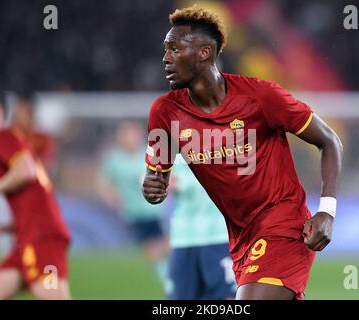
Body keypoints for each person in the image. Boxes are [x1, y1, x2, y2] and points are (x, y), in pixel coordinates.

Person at [142, 6, 343, 300]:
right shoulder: (164, 111)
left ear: (204, 53)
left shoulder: (262, 97)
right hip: (240, 239)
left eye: (175, 49)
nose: (166, 58)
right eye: (165, 50)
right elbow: (154, 181)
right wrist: (152, 188)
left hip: (283, 225)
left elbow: (329, 141)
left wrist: (327, 211)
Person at [0, 91, 71, 300]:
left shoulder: (2, 136)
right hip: (26, 239)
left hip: (42, 240)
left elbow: (26, 170)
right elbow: (32, 200)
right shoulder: (8, 142)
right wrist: (0, 228)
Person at [96, 121, 169, 292]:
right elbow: (103, 182)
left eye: (132, 133)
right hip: (134, 212)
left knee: (162, 244)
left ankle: (166, 274)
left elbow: (165, 174)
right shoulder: (114, 158)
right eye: (126, 134)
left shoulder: (148, 154)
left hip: (156, 209)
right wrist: (111, 197)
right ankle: (164, 276)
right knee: (152, 246)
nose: (129, 138)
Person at [167, 154, 236, 299]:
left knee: (227, 297)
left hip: (220, 235)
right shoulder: (172, 149)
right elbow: (148, 178)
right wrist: (158, 182)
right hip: (184, 238)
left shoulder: (225, 145)